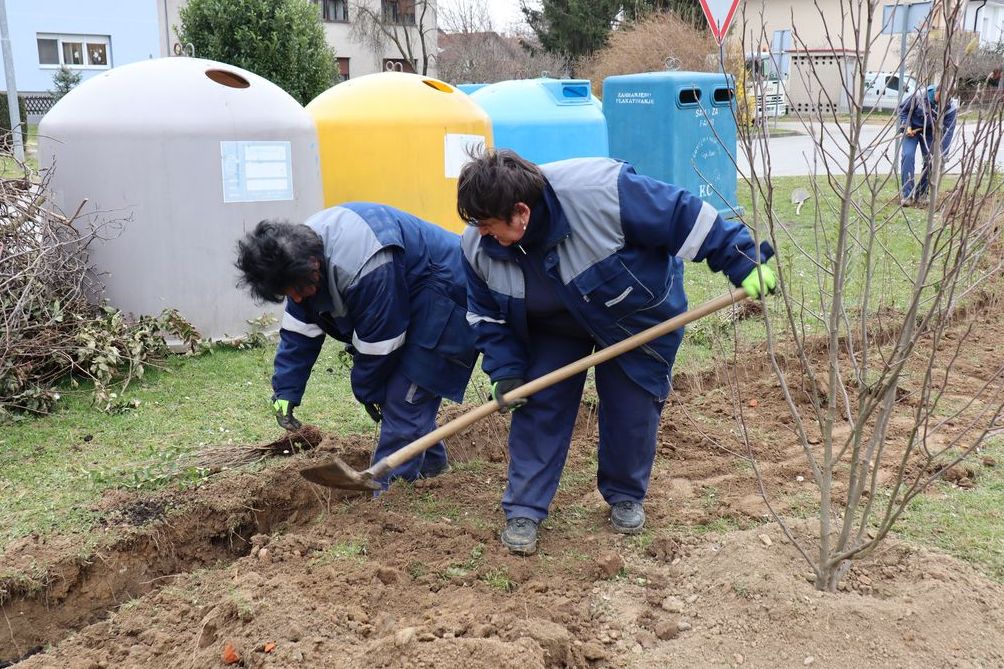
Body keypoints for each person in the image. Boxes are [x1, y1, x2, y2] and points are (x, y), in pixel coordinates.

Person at [458, 149, 777, 555]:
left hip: (635, 312)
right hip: (554, 326)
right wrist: (505, 369)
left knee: (632, 405)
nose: (481, 233)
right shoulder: (477, 247)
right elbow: (487, 318)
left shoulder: (602, 192)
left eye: (487, 224)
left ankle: (625, 494)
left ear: (521, 212)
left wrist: (746, 262)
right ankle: (524, 508)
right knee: (537, 402)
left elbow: (684, 217)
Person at [235, 203, 477, 488]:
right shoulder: (296, 258)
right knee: (399, 395)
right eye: (288, 293)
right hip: (407, 299)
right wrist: (286, 389)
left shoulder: (366, 264)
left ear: (313, 265)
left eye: (298, 290)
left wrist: (369, 392)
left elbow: (380, 345)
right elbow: (300, 330)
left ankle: (390, 492)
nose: (296, 299)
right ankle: (431, 465)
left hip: (446, 295)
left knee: (404, 395)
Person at [898, 84, 957, 207]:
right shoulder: (919, 96)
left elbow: (948, 131)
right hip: (912, 131)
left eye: (946, 98)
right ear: (937, 91)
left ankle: (921, 194)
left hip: (930, 133)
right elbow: (903, 111)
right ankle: (907, 195)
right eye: (940, 97)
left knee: (932, 160)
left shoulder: (950, 107)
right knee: (908, 156)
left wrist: (943, 153)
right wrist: (906, 126)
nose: (942, 101)